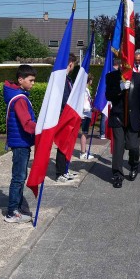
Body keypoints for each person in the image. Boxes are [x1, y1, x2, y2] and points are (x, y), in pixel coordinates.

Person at [106, 59, 140, 188]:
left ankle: (134, 165)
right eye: (121, 63)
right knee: (118, 147)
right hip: (118, 117)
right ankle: (117, 175)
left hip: (134, 118)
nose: (124, 65)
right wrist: (120, 87)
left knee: (133, 146)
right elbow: (108, 95)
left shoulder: (138, 77)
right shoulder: (111, 76)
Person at [3, 64, 37, 224]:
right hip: (21, 143)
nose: (33, 83)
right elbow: (26, 123)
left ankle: (16, 206)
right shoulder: (20, 99)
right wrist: (42, 130)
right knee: (18, 177)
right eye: (31, 80)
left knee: (19, 176)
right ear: (20, 79)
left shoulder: (18, 96)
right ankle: (12, 212)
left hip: (20, 142)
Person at [55, 53, 79, 182]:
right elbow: (64, 100)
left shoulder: (68, 79)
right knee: (62, 144)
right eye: (74, 64)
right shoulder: (60, 79)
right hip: (63, 116)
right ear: (70, 63)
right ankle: (59, 173)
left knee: (68, 143)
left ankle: (65, 169)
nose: (73, 67)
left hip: (69, 116)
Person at [79, 74, 95, 160]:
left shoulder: (86, 90)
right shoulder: (84, 91)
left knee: (85, 133)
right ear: (89, 81)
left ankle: (84, 150)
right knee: (84, 133)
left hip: (87, 114)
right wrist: (90, 109)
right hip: (84, 114)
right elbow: (84, 104)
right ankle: (82, 153)